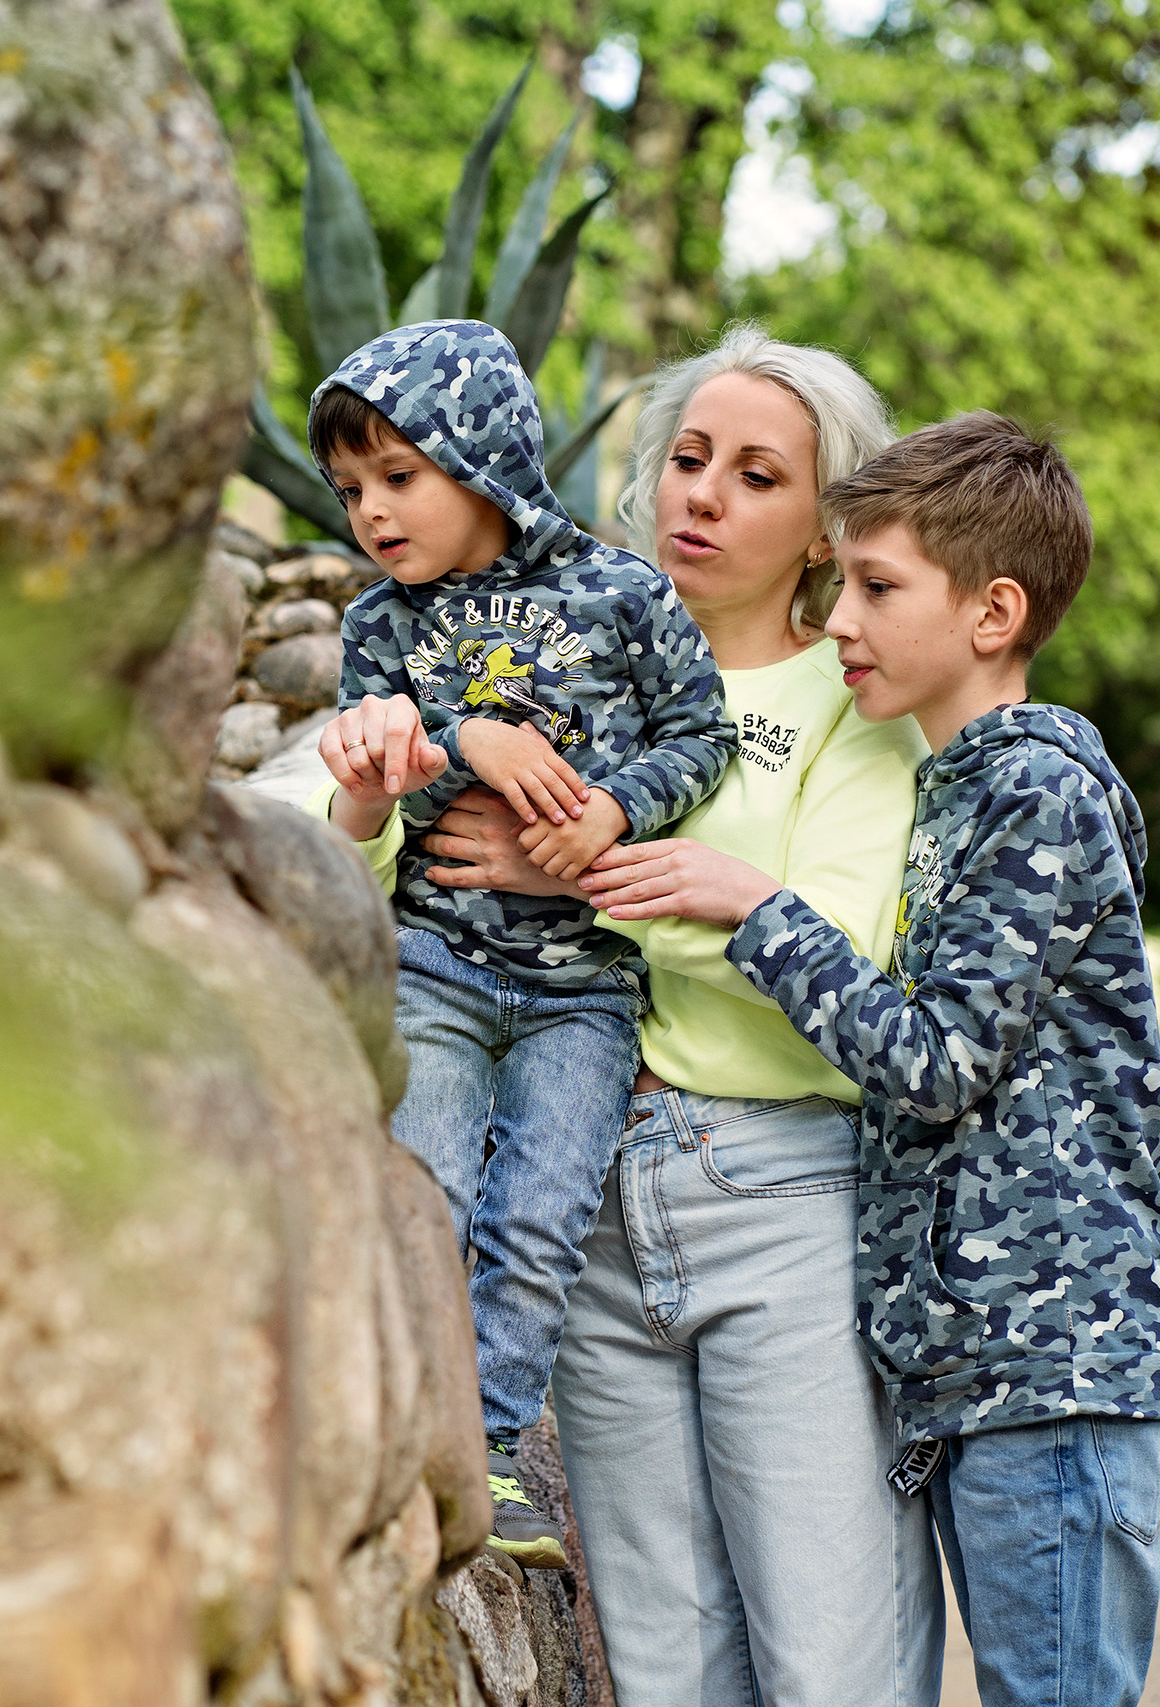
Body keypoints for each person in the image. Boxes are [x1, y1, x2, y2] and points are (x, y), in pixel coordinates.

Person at [333, 325, 944, 1705]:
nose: (703, 495)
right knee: (660, 1659)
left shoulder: (853, 705)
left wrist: (584, 887)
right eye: (685, 457)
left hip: (777, 1197)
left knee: (829, 1649)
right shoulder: (516, 644)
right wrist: (381, 797)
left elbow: (839, 955)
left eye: (756, 474)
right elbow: (366, 868)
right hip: (592, 1200)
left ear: (820, 526)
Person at [583, 411, 1160, 1707]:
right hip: (978, 1368)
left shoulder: (1037, 794)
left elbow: (935, 1057)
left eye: (877, 586)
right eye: (843, 580)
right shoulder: (956, 786)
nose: (841, 618)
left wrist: (752, 907)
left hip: (1056, 1366)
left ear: (992, 612)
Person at [306, 319, 737, 1568]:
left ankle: (486, 1452)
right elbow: (367, 743)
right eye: (350, 492)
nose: (373, 515)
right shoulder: (380, 625)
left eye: (400, 477)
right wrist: (464, 736)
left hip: (581, 996)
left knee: (539, 1219)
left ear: (482, 458)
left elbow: (699, 737)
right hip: (435, 963)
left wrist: (611, 808)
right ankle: (405, 1433)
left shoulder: (621, 593)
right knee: (427, 1188)